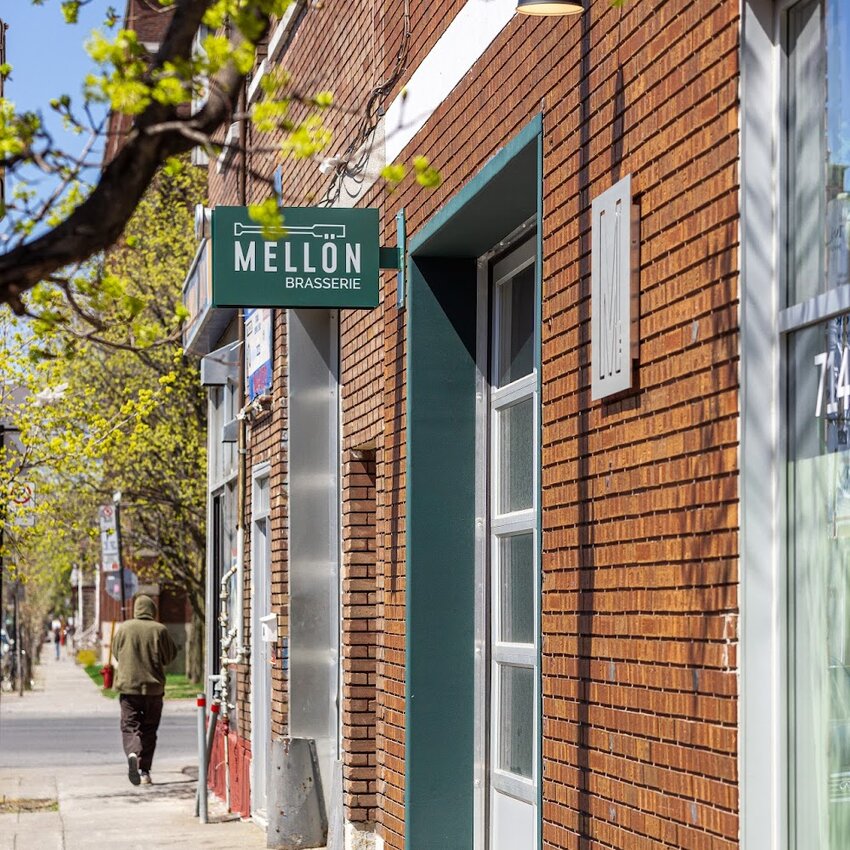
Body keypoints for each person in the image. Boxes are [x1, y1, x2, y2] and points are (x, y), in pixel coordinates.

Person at [112, 594, 177, 786]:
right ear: (152, 610)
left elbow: (117, 654)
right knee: (150, 729)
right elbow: (169, 656)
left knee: (130, 726)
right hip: (154, 689)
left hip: (128, 688)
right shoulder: (160, 630)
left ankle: (133, 752)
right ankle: (144, 771)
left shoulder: (124, 628)